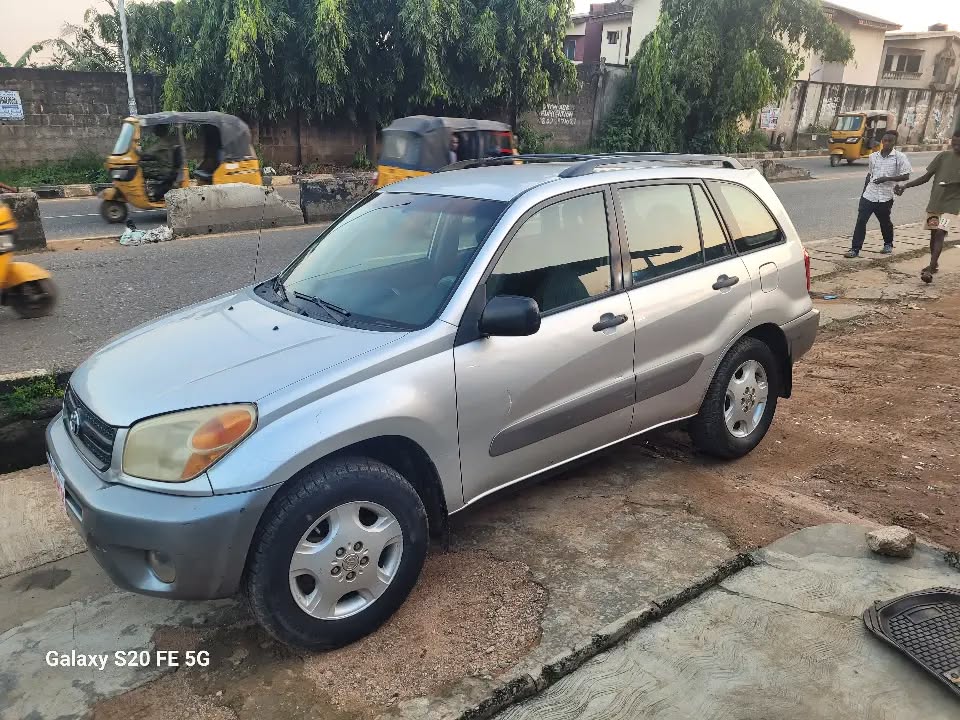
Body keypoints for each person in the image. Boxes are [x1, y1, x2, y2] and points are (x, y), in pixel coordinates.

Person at [895, 130, 960, 283]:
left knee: (940, 232)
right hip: (935, 203)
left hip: (952, 205)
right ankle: (935, 262)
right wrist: (906, 186)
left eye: (959, 144)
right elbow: (925, 177)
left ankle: (930, 268)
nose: (956, 146)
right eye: (954, 143)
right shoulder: (943, 156)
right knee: (933, 233)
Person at [844, 130, 912, 258]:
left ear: (894, 142)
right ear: (882, 141)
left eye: (889, 141)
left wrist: (886, 178)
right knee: (861, 221)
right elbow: (870, 175)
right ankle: (855, 249)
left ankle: (888, 243)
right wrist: (863, 193)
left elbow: (906, 175)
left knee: (884, 221)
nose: (886, 143)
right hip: (869, 195)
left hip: (886, 196)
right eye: (884, 140)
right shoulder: (873, 156)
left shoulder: (900, 157)